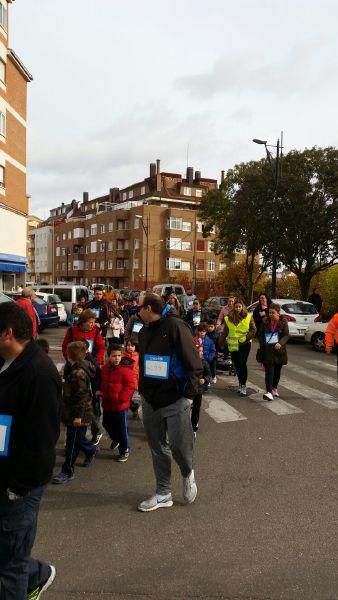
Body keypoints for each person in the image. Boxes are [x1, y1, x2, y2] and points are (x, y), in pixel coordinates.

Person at [0, 302, 61, 598]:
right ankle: (38, 574)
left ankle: (30, 578)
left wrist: (18, 487)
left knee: (10, 561)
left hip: (20, 485)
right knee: (7, 552)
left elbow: (42, 441)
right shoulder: (4, 360)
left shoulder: (41, 375)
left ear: (7, 334)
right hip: (3, 472)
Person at [137, 292, 202, 512]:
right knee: (157, 447)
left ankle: (187, 472)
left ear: (148, 308)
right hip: (150, 399)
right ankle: (163, 493)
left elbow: (194, 362)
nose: (136, 311)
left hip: (175, 398)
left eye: (139, 307)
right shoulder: (144, 331)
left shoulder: (176, 326)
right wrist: (141, 392)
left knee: (177, 446)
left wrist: (190, 396)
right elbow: (144, 364)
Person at [53, 341, 99, 484]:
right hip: (75, 412)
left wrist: (78, 416)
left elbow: (81, 397)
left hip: (78, 414)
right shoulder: (75, 368)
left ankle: (68, 471)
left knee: (72, 444)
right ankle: (91, 450)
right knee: (77, 440)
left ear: (69, 355)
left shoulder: (78, 373)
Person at [97, 344, 135, 462]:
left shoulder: (125, 370)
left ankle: (125, 450)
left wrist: (121, 398)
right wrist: (100, 391)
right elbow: (101, 382)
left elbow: (130, 385)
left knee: (122, 428)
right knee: (106, 424)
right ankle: (116, 438)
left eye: (119, 355)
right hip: (107, 404)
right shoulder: (104, 369)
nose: (117, 358)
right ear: (108, 356)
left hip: (120, 406)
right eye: (114, 356)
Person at [221, 298, 256, 396]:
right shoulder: (228, 318)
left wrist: (245, 338)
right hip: (233, 345)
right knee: (236, 365)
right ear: (233, 307)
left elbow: (253, 330)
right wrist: (220, 344)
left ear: (243, 307)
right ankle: (240, 384)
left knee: (242, 363)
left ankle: (243, 386)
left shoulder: (248, 316)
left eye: (239, 307)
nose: (237, 309)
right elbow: (225, 332)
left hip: (245, 344)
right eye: (236, 307)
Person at [257, 303, 289, 401]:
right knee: (269, 372)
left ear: (278, 313)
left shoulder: (283, 322)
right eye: (269, 312)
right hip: (268, 351)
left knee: (277, 372)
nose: (270, 314)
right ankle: (269, 392)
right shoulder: (265, 322)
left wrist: (280, 343)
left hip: (279, 351)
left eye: (273, 313)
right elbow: (260, 335)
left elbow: (286, 335)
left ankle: (274, 388)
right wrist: (263, 344)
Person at [191, 341, 211, 436]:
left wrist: (204, 379)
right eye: (198, 351)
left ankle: (194, 427)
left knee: (196, 408)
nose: (200, 353)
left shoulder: (204, 363)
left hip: (198, 389)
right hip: (189, 388)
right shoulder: (188, 362)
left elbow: (208, 374)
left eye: (201, 351)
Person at [122, 336, 140, 418]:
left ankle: (131, 408)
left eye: (132, 346)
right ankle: (133, 407)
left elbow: (139, 370)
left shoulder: (138, 356)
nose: (130, 347)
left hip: (133, 381)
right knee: (125, 397)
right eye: (128, 345)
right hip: (123, 380)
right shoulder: (122, 355)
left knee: (126, 397)